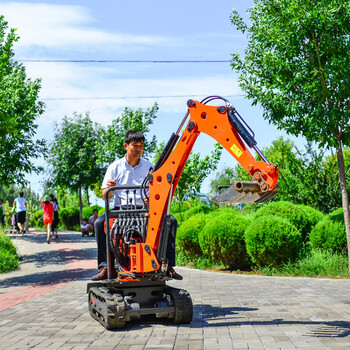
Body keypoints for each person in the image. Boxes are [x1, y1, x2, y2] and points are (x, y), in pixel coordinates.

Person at [91, 130, 182, 281]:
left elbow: (156, 192)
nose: (139, 149)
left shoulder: (150, 168)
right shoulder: (115, 167)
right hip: (120, 210)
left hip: (143, 209)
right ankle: (106, 267)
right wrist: (109, 188)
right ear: (126, 146)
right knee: (100, 223)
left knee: (170, 221)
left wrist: (150, 200)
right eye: (135, 145)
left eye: (141, 145)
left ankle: (168, 266)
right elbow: (105, 194)